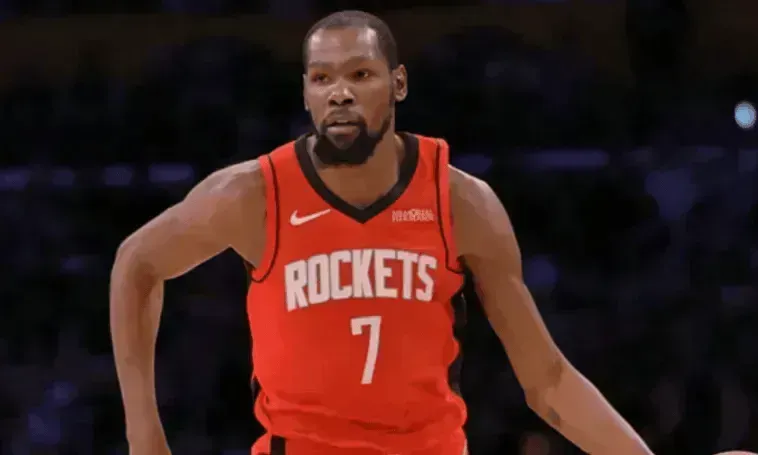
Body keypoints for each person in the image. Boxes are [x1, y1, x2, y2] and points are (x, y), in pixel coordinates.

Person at [110, 10, 656, 455]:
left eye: (360, 75)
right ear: (306, 93)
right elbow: (137, 262)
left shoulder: (460, 201)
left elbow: (548, 382)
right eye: (322, 78)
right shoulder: (252, 194)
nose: (339, 93)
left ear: (398, 84)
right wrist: (144, 439)